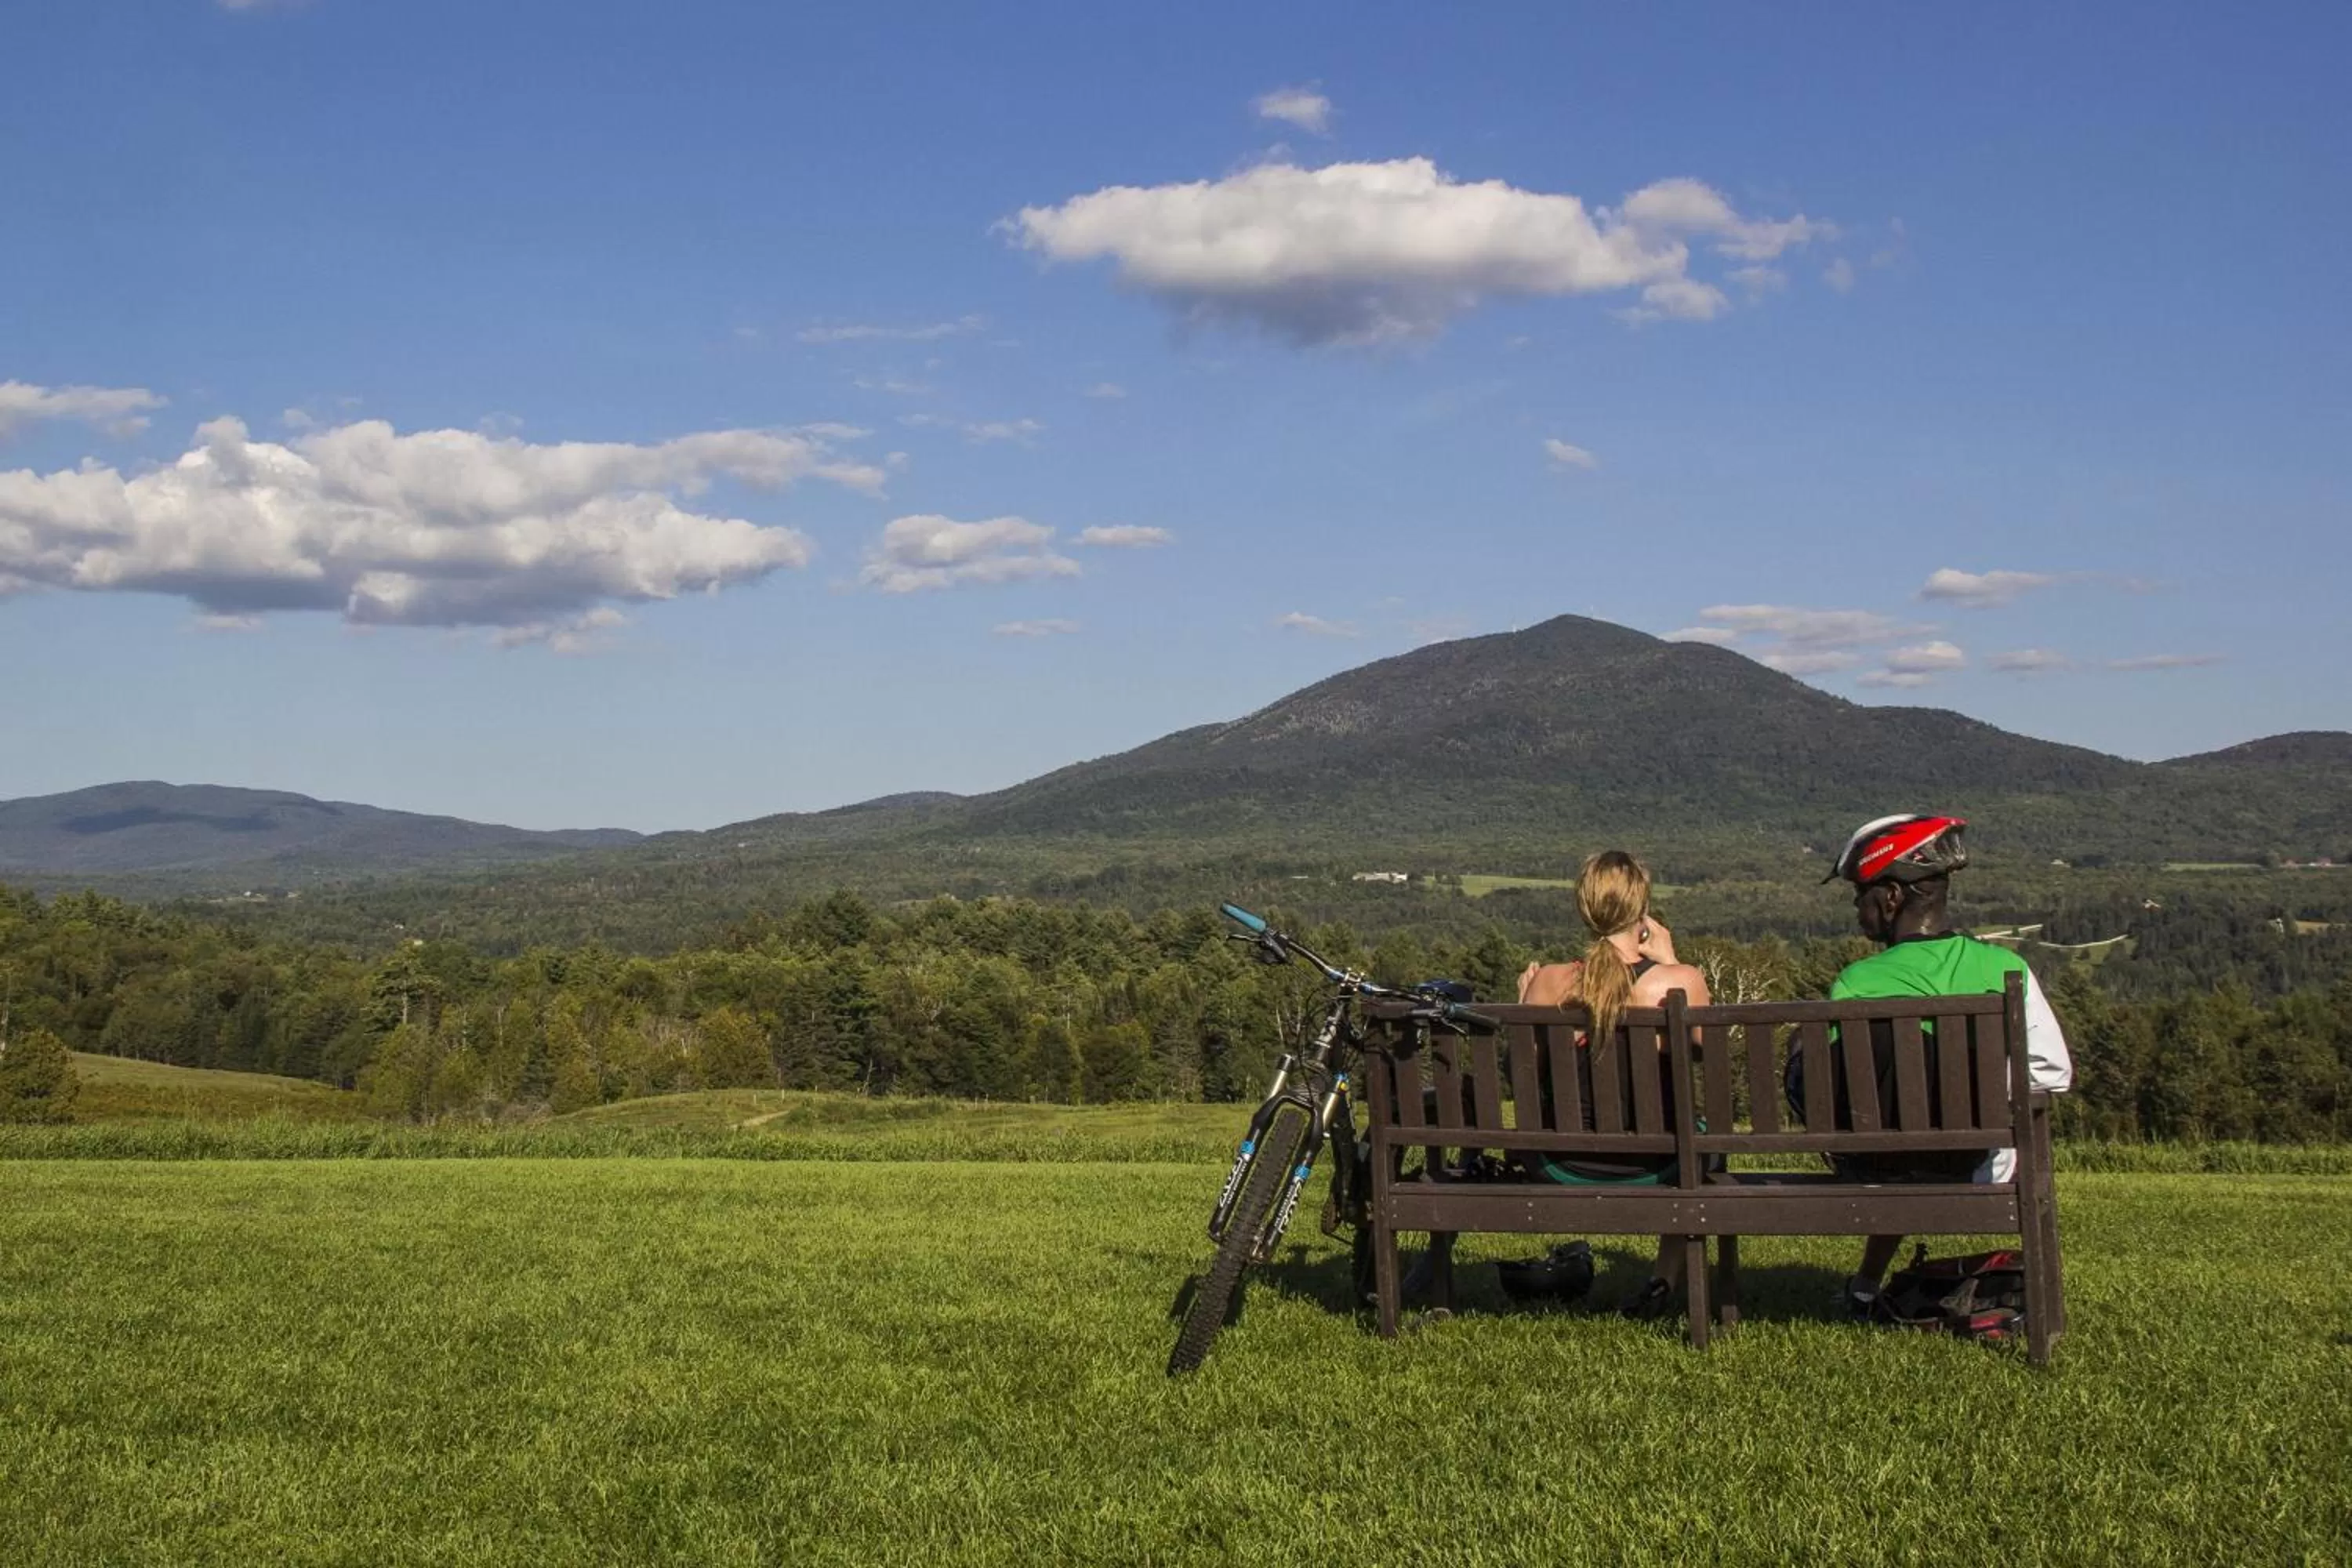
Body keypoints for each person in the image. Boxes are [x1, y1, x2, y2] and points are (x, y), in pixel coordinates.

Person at [1813, 813, 2074, 1316]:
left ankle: (1866, 1286)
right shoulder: (2006, 969)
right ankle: (1871, 1283)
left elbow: (1835, 1091)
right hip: (1977, 1166)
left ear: (1890, 898)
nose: (1856, 908)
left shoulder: (1856, 982)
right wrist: (1975, 1097)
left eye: (1860, 894)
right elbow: (2052, 1074)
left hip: (1878, 1166)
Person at [1515, 849, 1711, 1316]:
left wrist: (1523, 1001)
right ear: (1642, 913)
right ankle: (1661, 1282)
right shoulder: (1678, 981)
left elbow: (1522, 1072)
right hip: (1662, 1162)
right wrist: (1673, 961)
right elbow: (1700, 1052)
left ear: (1584, 909)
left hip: (1562, 1161)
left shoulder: (1548, 982)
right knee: (1695, 1142)